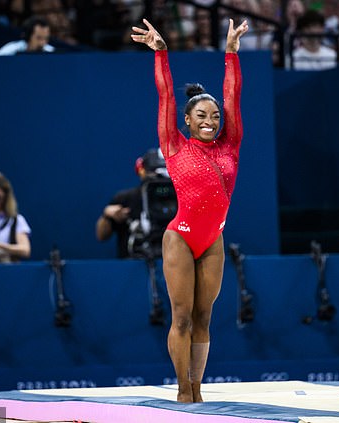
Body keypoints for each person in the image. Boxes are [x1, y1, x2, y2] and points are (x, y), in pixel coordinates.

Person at [130, 17, 248, 403]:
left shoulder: (230, 146)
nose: (211, 122)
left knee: (204, 318)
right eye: (202, 117)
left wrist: (231, 53)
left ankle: (198, 387)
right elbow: (165, 94)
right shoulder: (175, 145)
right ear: (187, 121)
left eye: (215, 117)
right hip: (180, 237)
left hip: (212, 239)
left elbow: (233, 97)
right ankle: (183, 391)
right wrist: (160, 53)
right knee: (181, 317)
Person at [96, 148, 172, 258]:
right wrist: (106, 216)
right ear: (141, 171)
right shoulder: (125, 199)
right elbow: (101, 236)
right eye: (154, 175)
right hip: (132, 266)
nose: (159, 181)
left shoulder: (184, 199)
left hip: (174, 265)